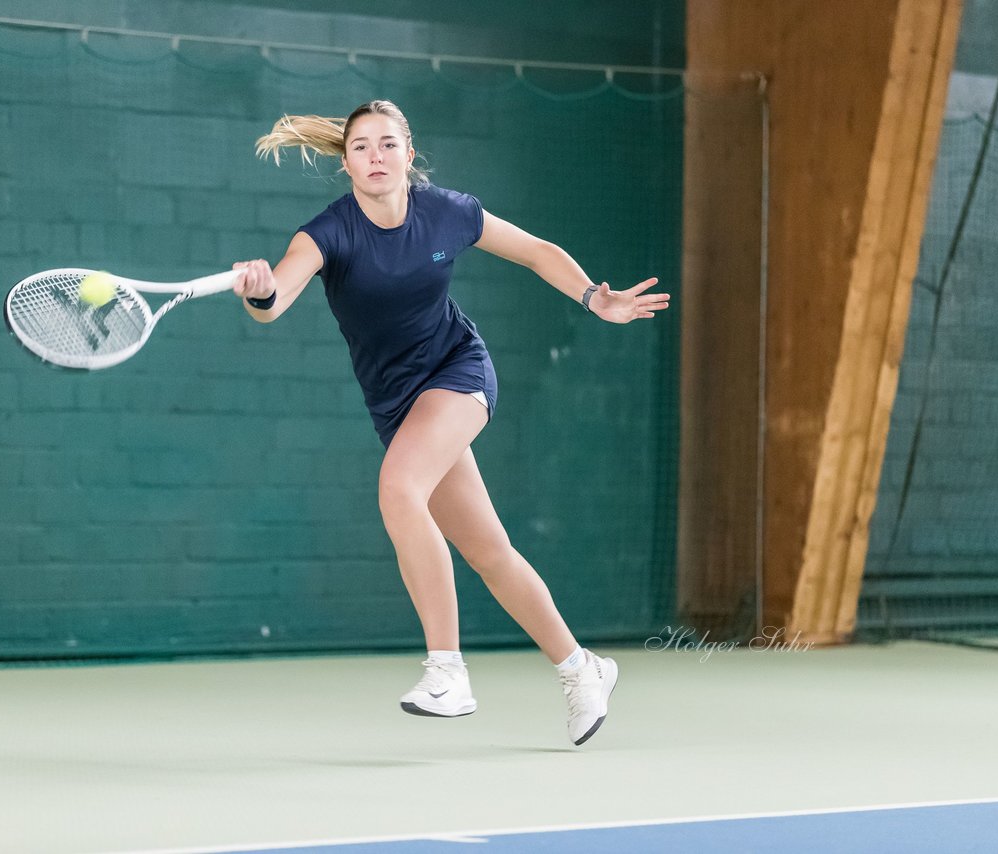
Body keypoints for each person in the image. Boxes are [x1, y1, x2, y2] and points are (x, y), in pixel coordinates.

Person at [232, 100, 670, 746]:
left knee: (398, 489)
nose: (375, 158)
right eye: (361, 148)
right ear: (346, 161)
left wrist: (592, 297)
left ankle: (447, 671)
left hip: (458, 374)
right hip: (395, 404)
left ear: (410, 153)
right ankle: (583, 668)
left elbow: (536, 251)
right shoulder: (326, 233)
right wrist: (259, 290)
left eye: (387, 145)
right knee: (489, 552)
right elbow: (275, 303)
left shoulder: (449, 211)